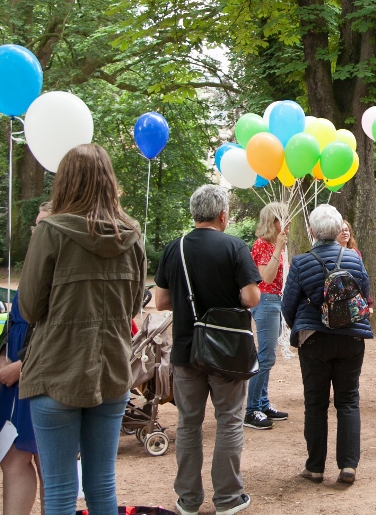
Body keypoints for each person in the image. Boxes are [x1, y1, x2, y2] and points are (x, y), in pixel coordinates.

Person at [17, 144, 146, 514]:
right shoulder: (131, 235)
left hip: (57, 369)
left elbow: (29, 307)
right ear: (109, 181)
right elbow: (133, 306)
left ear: (65, 182)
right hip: (112, 371)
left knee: (59, 490)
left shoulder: (50, 231)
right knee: (102, 484)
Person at [155, 184, 261, 515]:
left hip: (186, 349)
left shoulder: (174, 248)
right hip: (227, 351)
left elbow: (160, 301)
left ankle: (188, 500)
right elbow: (251, 298)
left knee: (188, 423)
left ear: (194, 214)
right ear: (223, 216)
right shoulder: (234, 247)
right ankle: (228, 499)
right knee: (229, 420)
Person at [283, 204, 372, 484]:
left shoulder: (301, 262)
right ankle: (348, 466)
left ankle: (315, 467)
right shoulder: (354, 259)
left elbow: (288, 305)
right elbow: (364, 294)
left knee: (315, 403)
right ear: (337, 230)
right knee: (348, 400)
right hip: (351, 337)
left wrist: (301, 325)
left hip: (314, 339)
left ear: (311, 231)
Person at [0, 202, 52, 515]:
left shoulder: (62, 269)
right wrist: (4, 357)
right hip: (15, 381)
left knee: (49, 463)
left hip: (43, 378)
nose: (36, 232)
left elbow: (63, 334)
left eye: (44, 226)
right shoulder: (32, 264)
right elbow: (13, 320)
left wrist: (24, 367)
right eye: (35, 226)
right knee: (12, 457)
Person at [244, 201, 290, 430]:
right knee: (265, 356)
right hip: (266, 300)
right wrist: (279, 248)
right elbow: (266, 278)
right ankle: (251, 409)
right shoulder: (262, 245)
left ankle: (262, 402)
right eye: (283, 218)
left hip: (275, 301)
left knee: (268, 354)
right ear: (273, 222)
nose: (288, 222)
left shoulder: (273, 244)